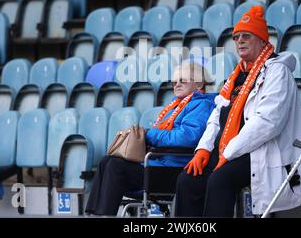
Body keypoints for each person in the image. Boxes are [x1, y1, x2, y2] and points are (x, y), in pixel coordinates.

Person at [175, 6, 301, 217]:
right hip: (228, 150)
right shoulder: (235, 76)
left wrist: (227, 153)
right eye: (236, 37)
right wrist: (203, 149)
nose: (240, 41)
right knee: (188, 180)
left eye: (246, 36)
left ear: (262, 41)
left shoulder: (277, 72)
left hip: (260, 151)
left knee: (220, 179)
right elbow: (216, 118)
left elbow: (267, 123)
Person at [85, 61, 216, 216]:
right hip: (157, 163)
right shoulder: (176, 105)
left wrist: (149, 135)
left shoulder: (202, 105)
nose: (177, 85)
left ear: (199, 84)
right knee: (106, 160)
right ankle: (93, 214)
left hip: (173, 170)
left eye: (183, 80)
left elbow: (186, 137)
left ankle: (105, 214)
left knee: (115, 166)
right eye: (174, 82)